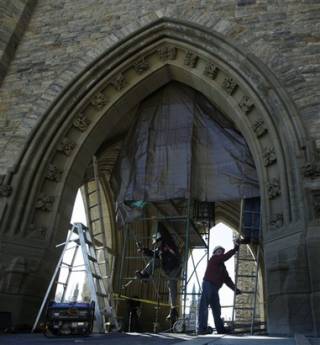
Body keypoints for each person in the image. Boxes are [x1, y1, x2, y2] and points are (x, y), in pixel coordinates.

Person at [135, 223, 181, 323]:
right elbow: (153, 254)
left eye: (157, 242)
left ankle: (173, 309)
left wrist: (160, 224)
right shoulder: (160, 249)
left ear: (161, 240)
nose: (156, 244)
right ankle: (145, 274)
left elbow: (166, 235)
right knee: (154, 260)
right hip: (166, 267)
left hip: (174, 268)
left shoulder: (169, 244)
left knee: (172, 285)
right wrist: (144, 250)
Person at [198, 240, 241, 335]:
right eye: (218, 251)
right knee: (204, 306)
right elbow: (225, 257)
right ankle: (202, 328)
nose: (220, 252)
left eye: (221, 251)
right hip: (208, 284)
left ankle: (220, 329)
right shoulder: (213, 259)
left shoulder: (223, 268)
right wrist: (235, 249)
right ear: (215, 253)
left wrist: (235, 289)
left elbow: (228, 280)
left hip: (215, 288)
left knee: (217, 309)